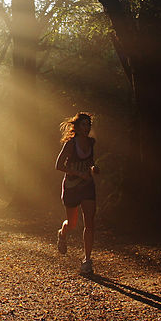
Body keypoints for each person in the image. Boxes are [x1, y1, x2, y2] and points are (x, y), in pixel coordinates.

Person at [55, 112, 99, 274]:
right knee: (72, 223)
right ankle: (62, 233)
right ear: (77, 127)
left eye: (89, 125)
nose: (87, 128)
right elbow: (58, 165)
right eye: (84, 125)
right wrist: (78, 173)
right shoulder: (70, 145)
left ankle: (87, 260)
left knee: (90, 223)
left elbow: (91, 161)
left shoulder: (91, 143)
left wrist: (94, 168)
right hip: (72, 186)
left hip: (87, 186)